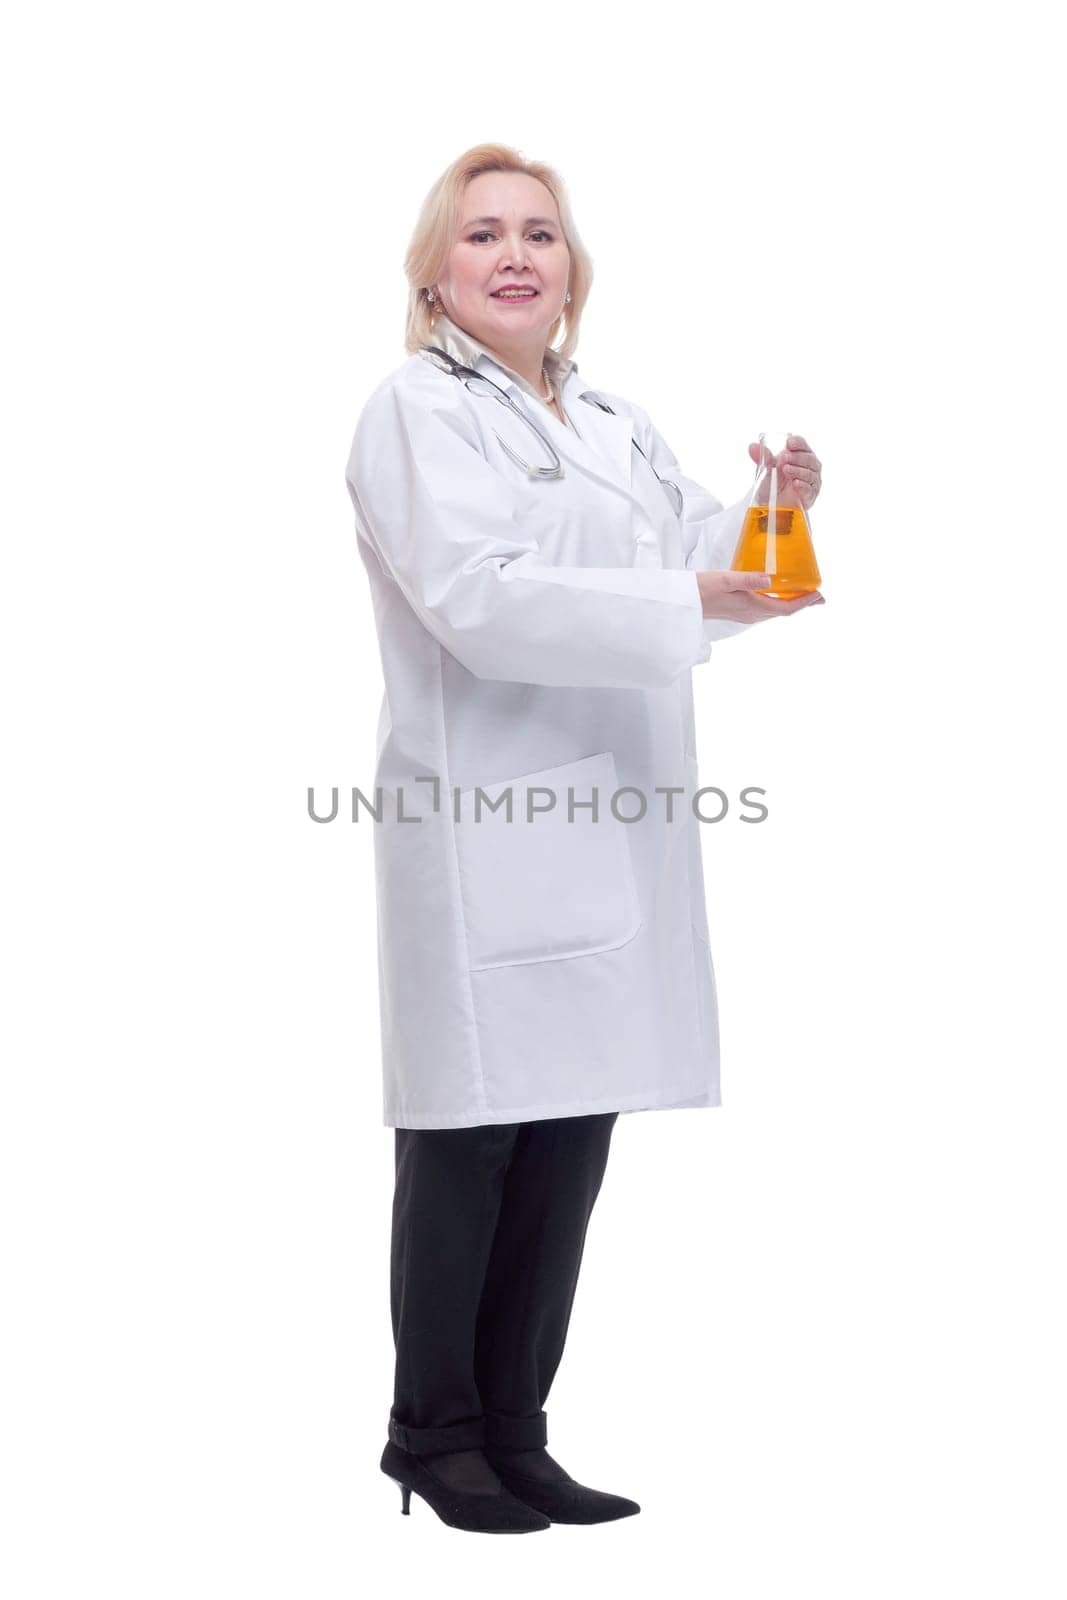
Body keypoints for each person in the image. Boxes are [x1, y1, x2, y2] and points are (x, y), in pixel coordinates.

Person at [344, 143, 824, 1535]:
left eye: (539, 235)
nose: (513, 255)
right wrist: (704, 603)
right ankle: (430, 1437)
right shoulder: (416, 415)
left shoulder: (610, 416)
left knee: (569, 1131)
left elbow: (691, 541)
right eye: (482, 233)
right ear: (434, 273)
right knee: (470, 1137)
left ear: (573, 273)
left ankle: (517, 1428)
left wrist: (777, 511)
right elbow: (478, 597)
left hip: (610, 819)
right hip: (486, 821)